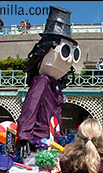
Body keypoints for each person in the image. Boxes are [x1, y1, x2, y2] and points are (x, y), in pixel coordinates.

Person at [17, 6, 80, 159]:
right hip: (39, 141)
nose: (69, 59)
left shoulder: (55, 86)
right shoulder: (42, 81)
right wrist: (24, 137)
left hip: (51, 141)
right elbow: (30, 108)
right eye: (65, 51)